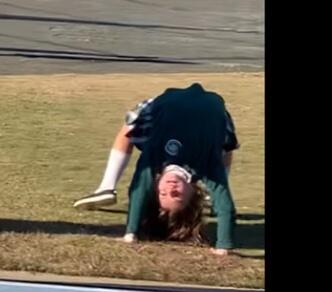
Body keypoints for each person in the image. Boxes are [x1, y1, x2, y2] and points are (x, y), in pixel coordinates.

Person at [74, 84, 239, 256]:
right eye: (177, 195)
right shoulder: (207, 166)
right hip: (213, 109)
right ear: (194, 191)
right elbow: (226, 206)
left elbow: (138, 190)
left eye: (163, 194)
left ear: (155, 188)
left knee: (129, 127)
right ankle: (106, 186)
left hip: (168, 101)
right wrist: (223, 246)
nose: (170, 188)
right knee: (227, 145)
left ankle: (106, 186)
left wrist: (131, 233)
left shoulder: (155, 157)